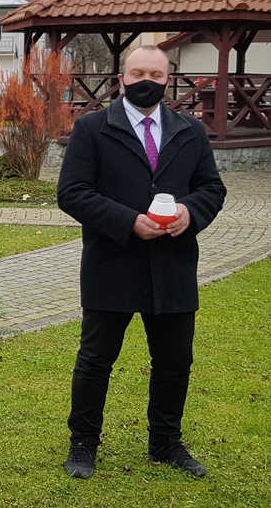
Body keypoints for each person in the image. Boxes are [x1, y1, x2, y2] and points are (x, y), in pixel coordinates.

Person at [57, 45, 226, 479]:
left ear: (167, 79)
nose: (145, 79)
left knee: (174, 361)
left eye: (155, 72)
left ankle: (166, 443)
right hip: (112, 261)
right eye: (137, 72)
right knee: (96, 360)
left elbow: (212, 188)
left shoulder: (190, 130)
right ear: (122, 78)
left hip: (172, 265)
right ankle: (83, 444)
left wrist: (190, 212)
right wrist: (128, 221)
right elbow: (72, 192)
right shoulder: (93, 128)